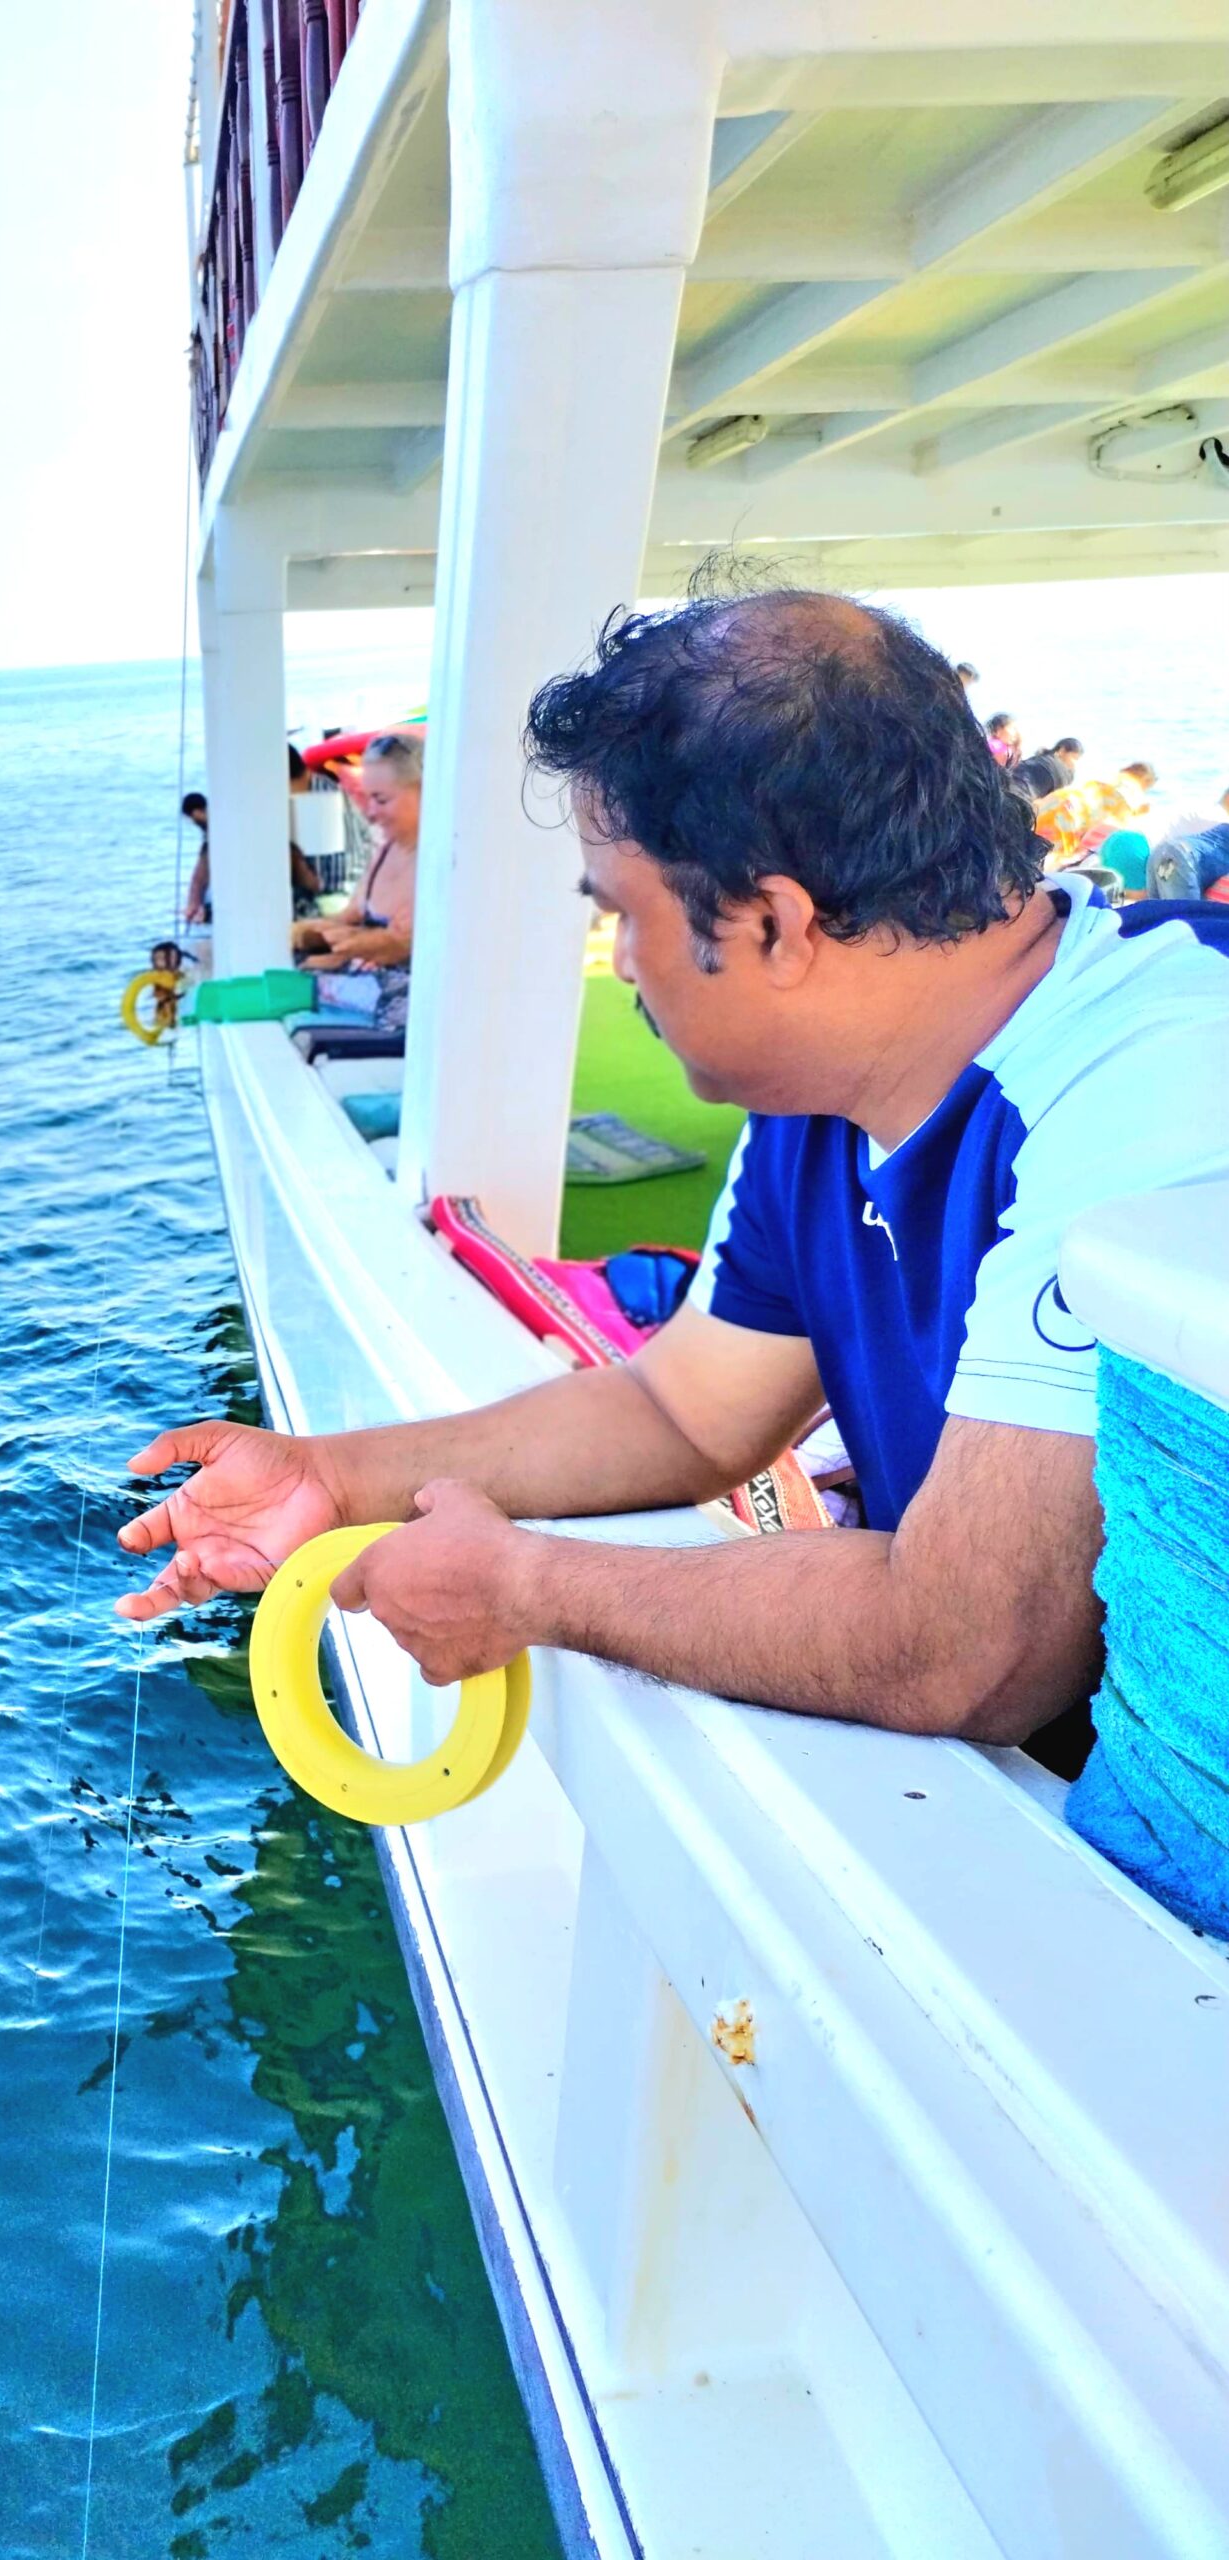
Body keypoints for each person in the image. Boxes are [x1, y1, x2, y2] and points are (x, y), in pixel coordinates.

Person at [116, 590, 1229, 1905]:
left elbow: (966, 1648)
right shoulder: (820, 1098)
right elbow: (684, 1408)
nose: (618, 963)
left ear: (771, 922)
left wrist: (524, 1586)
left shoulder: (1162, 1073)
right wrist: (326, 1476)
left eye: (620, 913)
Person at [291, 730, 420, 1026]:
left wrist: (350, 943)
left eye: (382, 800)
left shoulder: (440, 863)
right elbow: (352, 915)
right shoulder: (387, 850)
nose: (370, 813)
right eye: (368, 798)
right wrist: (302, 932)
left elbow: (403, 945)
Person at [181, 788, 323, 926]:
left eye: (196, 820)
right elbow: (199, 878)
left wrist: (194, 903)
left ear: (199, 811)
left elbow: (199, 878)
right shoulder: (220, 836)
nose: (197, 825)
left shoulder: (219, 837)